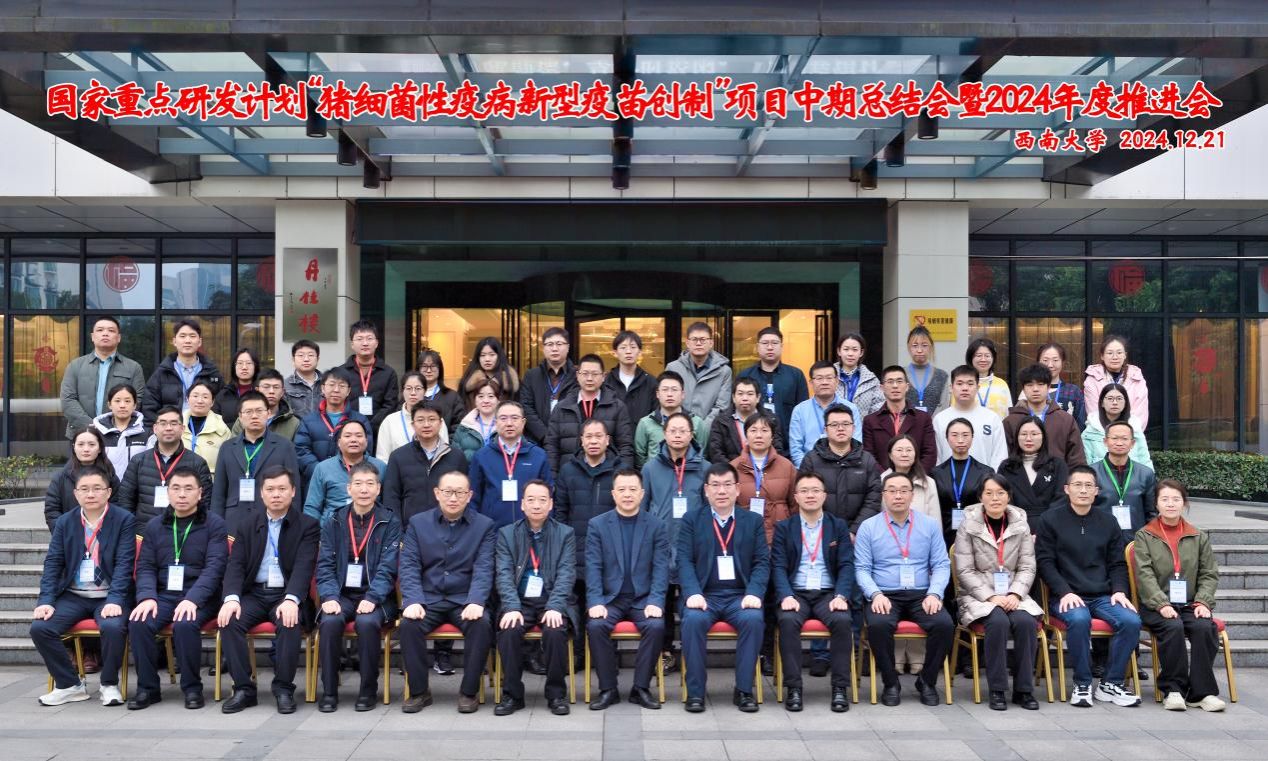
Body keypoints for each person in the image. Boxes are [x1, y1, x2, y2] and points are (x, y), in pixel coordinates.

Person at [1036, 465, 1142, 708]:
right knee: (1079, 619)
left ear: (1096, 491)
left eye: (1088, 486)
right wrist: (1064, 591)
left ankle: (1110, 683)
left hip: (1103, 595)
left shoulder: (1108, 521)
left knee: (1131, 621)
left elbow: (1117, 563)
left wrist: (1119, 590)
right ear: (1067, 489)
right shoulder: (1050, 520)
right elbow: (1045, 563)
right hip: (1066, 595)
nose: (1083, 490)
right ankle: (1082, 683)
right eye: (1077, 485)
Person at [217, 466, 320, 714]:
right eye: (270, 489)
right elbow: (236, 565)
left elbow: (304, 567)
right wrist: (231, 598)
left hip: (286, 594)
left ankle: (283, 688)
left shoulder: (307, 526)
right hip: (254, 594)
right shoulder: (247, 525)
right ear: (261, 493)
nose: (276, 494)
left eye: (282, 489)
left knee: (289, 621)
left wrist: (292, 599)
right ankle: (244, 689)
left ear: (293, 491)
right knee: (229, 620)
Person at [31, 466, 135, 707]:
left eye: (97, 488)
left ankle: (109, 684)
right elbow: (53, 563)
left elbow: (124, 564)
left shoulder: (124, 520)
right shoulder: (65, 522)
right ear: (76, 494)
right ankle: (69, 685)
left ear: (108, 492)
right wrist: (45, 601)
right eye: (84, 489)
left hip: (109, 594)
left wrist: (116, 600)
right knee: (40, 628)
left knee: (112, 626)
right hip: (74, 595)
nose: (91, 494)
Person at [126, 465, 228, 710]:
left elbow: (215, 568)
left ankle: (192, 688)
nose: (182, 494)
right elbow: (145, 566)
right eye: (176, 488)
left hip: (201, 597)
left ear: (200, 493)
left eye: (188, 489)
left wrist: (192, 599)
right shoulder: (154, 526)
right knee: (139, 622)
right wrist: (147, 597)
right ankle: (148, 689)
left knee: (185, 623)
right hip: (163, 595)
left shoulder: (214, 524)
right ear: (168, 492)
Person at [398, 471, 496, 714]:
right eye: (448, 492)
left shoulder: (484, 526)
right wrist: (413, 600)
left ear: (469, 495)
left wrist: (476, 600)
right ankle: (419, 691)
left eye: (460, 492)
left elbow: (484, 568)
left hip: (464, 600)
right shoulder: (418, 523)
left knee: (481, 624)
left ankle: (469, 692)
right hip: (428, 599)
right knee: (408, 624)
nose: (453, 498)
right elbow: (409, 565)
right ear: (437, 493)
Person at [855, 471, 954, 707]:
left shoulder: (929, 525)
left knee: (944, 624)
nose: (897, 496)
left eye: (903, 491)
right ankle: (891, 683)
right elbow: (861, 568)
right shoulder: (868, 527)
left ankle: (927, 681)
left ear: (912, 495)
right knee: (878, 625)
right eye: (892, 491)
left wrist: (934, 593)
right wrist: (875, 594)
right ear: (883, 495)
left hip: (922, 593)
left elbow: (941, 564)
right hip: (884, 594)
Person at [677, 463, 769, 713]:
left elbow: (762, 561)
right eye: (715, 485)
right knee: (693, 620)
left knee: (753, 619)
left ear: (737, 489)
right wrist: (693, 593)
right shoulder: (692, 520)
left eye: (727, 485)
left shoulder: (752, 521)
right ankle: (695, 692)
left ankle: (744, 690)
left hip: (740, 596)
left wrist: (754, 593)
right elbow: (684, 560)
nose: (721, 491)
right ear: (706, 490)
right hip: (705, 596)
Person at [314, 462, 400, 712]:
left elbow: (388, 567)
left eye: (370, 484)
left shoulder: (389, 521)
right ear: (349, 488)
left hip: (376, 597)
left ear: (378, 489)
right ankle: (329, 691)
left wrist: (372, 597)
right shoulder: (334, 520)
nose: (364, 489)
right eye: (358, 484)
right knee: (330, 622)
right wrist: (329, 596)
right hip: (341, 594)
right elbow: (325, 564)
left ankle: (368, 690)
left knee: (367, 623)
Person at [1133, 479, 1225, 712]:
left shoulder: (1198, 536)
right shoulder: (1145, 535)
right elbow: (1144, 574)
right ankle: (1173, 689)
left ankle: (1201, 693)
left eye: (1176, 499)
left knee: (1205, 627)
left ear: (1184, 503)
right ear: (1156, 504)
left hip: (1190, 603)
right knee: (1172, 627)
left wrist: (1203, 602)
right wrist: (1161, 603)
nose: (1170, 504)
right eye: (1164, 499)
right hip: (1155, 605)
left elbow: (1209, 573)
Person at [952, 475, 1042, 711]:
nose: (995, 498)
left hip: (1013, 593)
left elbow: (1027, 566)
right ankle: (998, 689)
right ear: (980, 497)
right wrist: (991, 597)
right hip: (978, 596)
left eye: (1001, 493)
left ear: (1009, 496)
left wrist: (1015, 594)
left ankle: (1024, 690)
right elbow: (964, 570)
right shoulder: (968, 525)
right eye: (989, 493)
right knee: (998, 622)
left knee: (1026, 622)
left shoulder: (1020, 524)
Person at [585, 469, 670, 710]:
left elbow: (661, 568)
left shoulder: (656, 526)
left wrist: (655, 600)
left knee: (656, 626)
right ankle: (608, 689)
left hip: (642, 599)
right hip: (610, 599)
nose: (627, 494)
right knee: (596, 625)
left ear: (642, 493)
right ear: (613, 494)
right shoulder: (597, 525)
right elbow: (593, 566)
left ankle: (640, 688)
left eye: (633, 489)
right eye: (622, 489)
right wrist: (595, 601)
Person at [771, 471, 854, 713]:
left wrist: (841, 595)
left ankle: (840, 688)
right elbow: (777, 566)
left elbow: (847, 564)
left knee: (842, 620)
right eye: (804, 491)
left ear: (824, 496)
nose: (810, 495)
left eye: (815, 490)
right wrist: (786, 595)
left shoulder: (837, 526)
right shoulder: (784, 528)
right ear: (796, 496)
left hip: (828, 593)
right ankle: (794, 688)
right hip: (796, 593)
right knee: (787, 621)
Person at [493, 480, 577, 716]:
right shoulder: (507, 534)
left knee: (555, 630)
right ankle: (512, 695)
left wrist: (555, 606)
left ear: (550, 504)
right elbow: (503, 574)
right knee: (509, 630)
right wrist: (511, 606)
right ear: (522, 504)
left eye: (542, 500)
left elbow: (567, 573)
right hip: (519, 602)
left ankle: (556, 694)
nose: (536, 505)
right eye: (531, 500)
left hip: (552, 600)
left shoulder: (565, 533)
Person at [640, 412, 708, 672]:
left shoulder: (704, 468)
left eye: (683, 431)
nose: (678, 435)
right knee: (664, 600)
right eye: (672, 431)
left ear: (692, 434)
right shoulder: (650, 468)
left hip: (694, 547)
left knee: (692, 600)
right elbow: (644, 508)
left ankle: (692, 652)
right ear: (664, 434)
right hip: (661, 544)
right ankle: (666, 651)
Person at [880, 434, 939, 676]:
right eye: (899, 450)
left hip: (919, 555)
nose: (904, 454)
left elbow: (935, 519)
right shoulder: (882, 480)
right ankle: (895, 656)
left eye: (909, 450)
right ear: (890, 454)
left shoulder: (928, 483)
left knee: (922, 603)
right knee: (891, 606)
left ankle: (916, 656)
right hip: (891, 555)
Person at [554, 419, 620, 618]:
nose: (593, 441)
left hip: (610, 551)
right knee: (577, 610)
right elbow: (560, 512)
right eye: (588, 436)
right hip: (576, 550)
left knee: (603, 613)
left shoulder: (619, 471)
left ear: (607, 440)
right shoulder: (568, 470)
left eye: (598, 436)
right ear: (581, 440)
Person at [210, 392, 301, 520]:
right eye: (248, 412)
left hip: (272, 516)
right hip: (234, 518)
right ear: (240, 416)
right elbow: (218, 493)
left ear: (268, 413)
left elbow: (294, 489)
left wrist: (292, 523)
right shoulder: (227, 447)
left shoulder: (284, 446)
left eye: (259, 411)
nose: (254, 416)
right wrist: (217, 525)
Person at [116, 406, 214, 524]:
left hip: (183, 531)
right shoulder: (138, 461)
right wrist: (133, 528)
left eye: (174, 423)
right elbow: (125, 500)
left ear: (182, 429)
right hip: (144, 531)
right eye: (163, 423)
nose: (168, 428)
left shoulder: (197, 463)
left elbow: (205, 502)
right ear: (155, 428)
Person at [796, 404, 880, 536]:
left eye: (846, 424)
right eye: (834, 425)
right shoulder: (811, 460)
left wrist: (855, 531)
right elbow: (804, 497)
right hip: (820, 534)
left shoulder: (867, 460)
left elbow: (873, 499)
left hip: (859, 535)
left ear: (853, 428)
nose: (840, 428)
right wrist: (825, 531)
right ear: (825, 429)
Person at [383, 400, 470, 526]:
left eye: (432, 419)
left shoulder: (456, 457)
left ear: (440, 423)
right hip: (410, 530)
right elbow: (391, 498)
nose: (426, 424)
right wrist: (398, 531)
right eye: (420, 420)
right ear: (413, 424)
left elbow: (465, 495)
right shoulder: (398, 456)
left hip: (449, 529)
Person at [468, 400, 552, 528]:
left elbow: (549, 496)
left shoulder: (538, 456)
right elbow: (473, 499)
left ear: (523, 422)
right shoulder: (482, 456)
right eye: (503, 418)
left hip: (530, 531)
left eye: (514, 418)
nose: (509, 423)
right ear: (496, 422)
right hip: (492, 531)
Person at [546, 354, 634, 475]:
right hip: (570, 475)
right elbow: (552, 447)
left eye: (595, 374)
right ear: (577, 376)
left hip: (608, 475)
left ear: (603, 376)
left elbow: (625, 446)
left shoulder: (617, 407)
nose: (589, 378)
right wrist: (553, 478)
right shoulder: (561, 407)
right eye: (585, 373)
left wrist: (623, 478)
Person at [60, 315, 145, 438]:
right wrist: (91, 426)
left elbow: (138, 400)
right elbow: (68, 400)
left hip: (118, 434)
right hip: (81, 434)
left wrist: (111, 427)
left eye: (111, 330)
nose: (105, 333)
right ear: (92, 337)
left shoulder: (133, 368)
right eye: (100, 330)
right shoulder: (75, 366)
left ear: (119, 338)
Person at [303, 419, 387, 527]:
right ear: (339, 442)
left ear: (366, 441)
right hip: (332, 529)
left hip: (371, 528)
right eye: (348, 436)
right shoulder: (323, 468)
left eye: (358, 435)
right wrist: (316, 534)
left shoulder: (380, 467)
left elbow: (387, 504)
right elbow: (312, 507)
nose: (353, 440)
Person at [1003, 364, 1086, 469]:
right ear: (1023, 389)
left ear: (1048, 387)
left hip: (1058, 477)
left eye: (1040, 384)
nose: (1035, 389)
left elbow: (1077, 459)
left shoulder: (1065, 420)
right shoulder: (1011, 421)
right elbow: (1004, 458)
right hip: (1020, 477)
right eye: (1030, 385)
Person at [736, 327, 808, 447]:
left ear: (782, 346)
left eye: (774, 343)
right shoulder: (745, 375)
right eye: (765, 343)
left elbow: (803, 411)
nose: (770, 347)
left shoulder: (795, 375)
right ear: (757, 347)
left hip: (788, 443)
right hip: (753, 442)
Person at [295, 370, 372, 482]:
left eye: (342, 386)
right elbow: (301, 451)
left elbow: (366, 450)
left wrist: (345, 474)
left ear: (348, 391)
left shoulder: (360, 420)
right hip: (316, 480)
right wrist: (320, 472)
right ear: (323, 388)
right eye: (331, 385)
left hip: (351, 481)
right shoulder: (308, 421)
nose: (336, 390)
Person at [732, 413, 797, 543]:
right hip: (745, 537)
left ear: (772, 436)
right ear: (746, 435)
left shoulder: (786, 466)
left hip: (780, 536)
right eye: (753, 430)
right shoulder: (734, 467)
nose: (759, 435)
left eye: (764, 430)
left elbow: (795, 505)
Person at [143, 319, 223, 421]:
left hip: (204, 428)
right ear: (174, 341)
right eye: (182, 336)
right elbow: (149, 407)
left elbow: (221, 405)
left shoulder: (211, 373)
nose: (187, 340)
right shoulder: (162, 373)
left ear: (199, 342)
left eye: (192, 336)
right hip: (171, 428)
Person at [996, 418, 1070, 528]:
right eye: (1023, 434)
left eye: (1034, 434)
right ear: (1017, 437)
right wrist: (1020, 527)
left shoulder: (1057, 465)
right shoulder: (1006, 467)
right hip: (1016, 527)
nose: (1028, 439)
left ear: (1043, 437)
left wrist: (1046, 526)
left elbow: (1062, 498)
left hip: (1051, 527)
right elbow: (1003, 499)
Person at [862, 366, 937, 472]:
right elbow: (869, 456)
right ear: (882, 388)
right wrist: (887, 477)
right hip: (882, 479)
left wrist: (915, 477)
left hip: (916, 478)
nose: (895, 386)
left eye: (899, 381)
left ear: (907, 386)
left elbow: (930, 454)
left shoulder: (923, 418)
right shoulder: (871, 421)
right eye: (890, 382)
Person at [44, 428, 120, 532]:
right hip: (69, 535)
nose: (86, 449)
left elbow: (118, 506)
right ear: (74, 447)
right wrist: (64, 534)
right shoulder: (61, 477)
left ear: (99, 448)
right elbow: (52, 510)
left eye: (91, 444)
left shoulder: (110, 476)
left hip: (104, 535)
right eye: (80, 444)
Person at [931, 418, 995, 541]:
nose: (960, 440)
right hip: (944, 534)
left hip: (978, 535)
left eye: (965, 435)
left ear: (972, 437)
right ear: (947, 438)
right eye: (954, 435)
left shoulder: (985, 472)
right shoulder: (936, 473)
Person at [1093, 420, 1157, 542]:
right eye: (1114, 438)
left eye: (1124, 439)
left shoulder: (1145, 474)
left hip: (1136, 541)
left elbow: (1151, 513)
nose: (1119, 443)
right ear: (1105, 441)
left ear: (1132, 443)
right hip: (1102, 540)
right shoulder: (1092, 473)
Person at [933, 366, 1008, 469]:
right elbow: (936, 458)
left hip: (986, 478)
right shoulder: (940, 419)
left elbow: (1000, 456)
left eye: (970, 384)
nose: (965, 388)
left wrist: (991, 478)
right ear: (951, 388)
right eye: (959, 384)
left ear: (978, 387)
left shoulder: (992, 418)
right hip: (948, 478)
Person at [789, 362, 861, 467]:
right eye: (819, 378)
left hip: (844, 468)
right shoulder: (800, 410)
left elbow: (857, 443)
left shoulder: (851, 408)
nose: (824, 382)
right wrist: (809, 470)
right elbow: (796, 449)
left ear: (837, 381)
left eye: (829, 378)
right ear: (811, 383)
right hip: (810, 470)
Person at [665, 321, 732, 432]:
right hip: (677, 431)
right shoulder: (673, 368)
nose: (698, 343)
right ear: (687, 343)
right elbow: (667, 401)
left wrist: (701, 429)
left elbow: (721, 407)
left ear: (711, 343)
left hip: (709, 432)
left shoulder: (724, 371)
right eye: (694, 339)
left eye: (703, 339)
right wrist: (683, 427)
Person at [634, 371, 708, 467]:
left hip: (688, 472)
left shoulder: (696, 422)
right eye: (665, 390)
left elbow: (703, 453)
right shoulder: (646, 423)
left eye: (674, 390)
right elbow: (640, 457)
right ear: (657, 394)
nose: (669, 394)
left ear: (682, 394)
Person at [707, 377, 785, 465]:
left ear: (758, 397)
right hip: (732, 471)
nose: (745, 398)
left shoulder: (771, 419)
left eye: (750, 394)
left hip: (765, 469)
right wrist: (734, 470)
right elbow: (716, 453)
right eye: (740, 394)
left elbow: (777, 450)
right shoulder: (721, 421)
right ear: (733, 397)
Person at [339, 319, 400, 431]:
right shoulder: (341, 372)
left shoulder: (388, 373)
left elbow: (390, 405)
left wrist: (369, 427)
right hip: (347, 431)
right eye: (360, 339)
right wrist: (353, 426)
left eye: (369, 338)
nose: (365, 343)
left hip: (379, 431)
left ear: (376, 343)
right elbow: (337, 402)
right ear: (352, 344)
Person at [520, 327, 577, 445]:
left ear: (568, 347)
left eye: (559, 344)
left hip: (569, 441)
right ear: (543, 348)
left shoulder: (578, 376)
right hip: (536, 441)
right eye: (550, 344)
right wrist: (544, 435)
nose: (554, 348)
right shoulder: (531, 375)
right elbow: (526, 407)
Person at [1084, 334, 1150, 432]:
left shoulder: (1137, 379)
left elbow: (1140, 415)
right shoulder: (1092, 380)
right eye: (1110, 353)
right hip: (1101, 436)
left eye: (1119, 352)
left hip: (1131, 436)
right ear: (1102, 356)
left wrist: (1124, 435)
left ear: (1125, 355)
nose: (1115, 357)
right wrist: (1111, 436)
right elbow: (1094, 414)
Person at [1083, 383, 1153, 469]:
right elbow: (1085, 463)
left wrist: (1150, 475)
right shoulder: (1090, 431)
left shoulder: (1135, 427)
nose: (1115, 402)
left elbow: (1145, 459)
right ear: (1102, 403)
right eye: (1110, 398)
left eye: (1119, 398)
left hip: (1133, 474)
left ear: (1125, 402)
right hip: (1099, 475)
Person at [602, 330, 657, 432]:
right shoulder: (606, 381)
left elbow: (655, 416)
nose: (628, 351)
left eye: (633, 347)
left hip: (641, 438)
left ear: (640, 352)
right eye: (623, 348)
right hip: (612, 438)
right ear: (615, 353)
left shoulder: (651, 382)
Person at [91, 383, 149, 477]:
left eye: (127, 401)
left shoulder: (147, 433)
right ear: (109, 405)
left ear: (134, 405)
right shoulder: (96, 433)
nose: (122, 405)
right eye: (117, 401)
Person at [230, 369, 301, 441]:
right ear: (257, 390)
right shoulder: (243, 419)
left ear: (282, 392)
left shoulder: (293, 423)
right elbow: (234, 446)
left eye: (276, 387)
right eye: (266, 387)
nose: (271, 391)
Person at [376, 372, 431, 460]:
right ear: (402, 391)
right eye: (408, 388)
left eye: (418, 388)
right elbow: (382, 458)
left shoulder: (435, 419)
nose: (413, 393)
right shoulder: (390, 421)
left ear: (425, 391)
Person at [182, 381, 232, 476]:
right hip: (180, 480)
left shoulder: (222, 429)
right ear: (187, 399)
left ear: (212, 402)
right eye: (195, 396)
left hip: (210, 481)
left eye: (205, 397)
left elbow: (228, 463)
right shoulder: (176, 424)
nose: (200, 401)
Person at [1035, 342, 1085, 428]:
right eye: (1045, 360)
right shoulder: (1031, 390)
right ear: (1038, 363)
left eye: (1055, 360)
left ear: (1063, 362)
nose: (1050, 365)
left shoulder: (1073, 391)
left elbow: (1081, 423)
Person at [459, 337, 519, 405]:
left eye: (492, 355)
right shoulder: (470, 379)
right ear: (478, 357)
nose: (487, 359)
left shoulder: (509, 379)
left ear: (499, 356)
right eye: (483, 355)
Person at [835, 332, 883, 416]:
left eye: (855, 350)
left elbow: (879, 406)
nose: (850, 354)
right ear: (839, 351)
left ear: (861, 352)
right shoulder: (829, 376)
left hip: (863, 424)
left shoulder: (871, 380)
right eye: (846, 349)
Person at [452, 379, 501, 460]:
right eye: (481, 396)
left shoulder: (507, 424)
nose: (486, 401)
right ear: (475, 400)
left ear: (498, 400)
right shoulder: (464, 426)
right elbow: (455, 458)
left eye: (491, 396)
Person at [416, 349, 465, 429]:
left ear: (440, 369)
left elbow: (458, 426)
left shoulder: (452, 397)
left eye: (433, 366)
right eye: (424, 366)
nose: (429, 370)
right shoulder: (411, 395)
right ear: (418, 369)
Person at [904, 325, 949, 414]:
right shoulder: (901, 374)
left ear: (931, 347)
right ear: (909, 347)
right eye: (915, 346)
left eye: (924, 345)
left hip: (935, 422)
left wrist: (930, 422)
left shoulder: (942, 376)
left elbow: (944, 406)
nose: (919, 350)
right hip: (905, 422)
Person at [966, 338, 1012, 420]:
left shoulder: (1001, 384)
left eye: (987, 356)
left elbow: (1008, 415)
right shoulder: (963, 384)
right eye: (979, 355)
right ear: (970, 358)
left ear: (993, 358)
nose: (983, 359)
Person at [215, 347, 261, 429]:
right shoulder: (224, 395)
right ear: (234, 367)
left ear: (255, 366)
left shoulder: (261, 392)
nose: (244, 367)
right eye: (240, 363)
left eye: (249, 363)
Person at [284, 339, 324, 419]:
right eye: (301, 355)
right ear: (293, 360)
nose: (306, 359)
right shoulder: (285, 386)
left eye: (311, 355)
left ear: (318, 359)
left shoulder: (327, 383)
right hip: (297, 427)